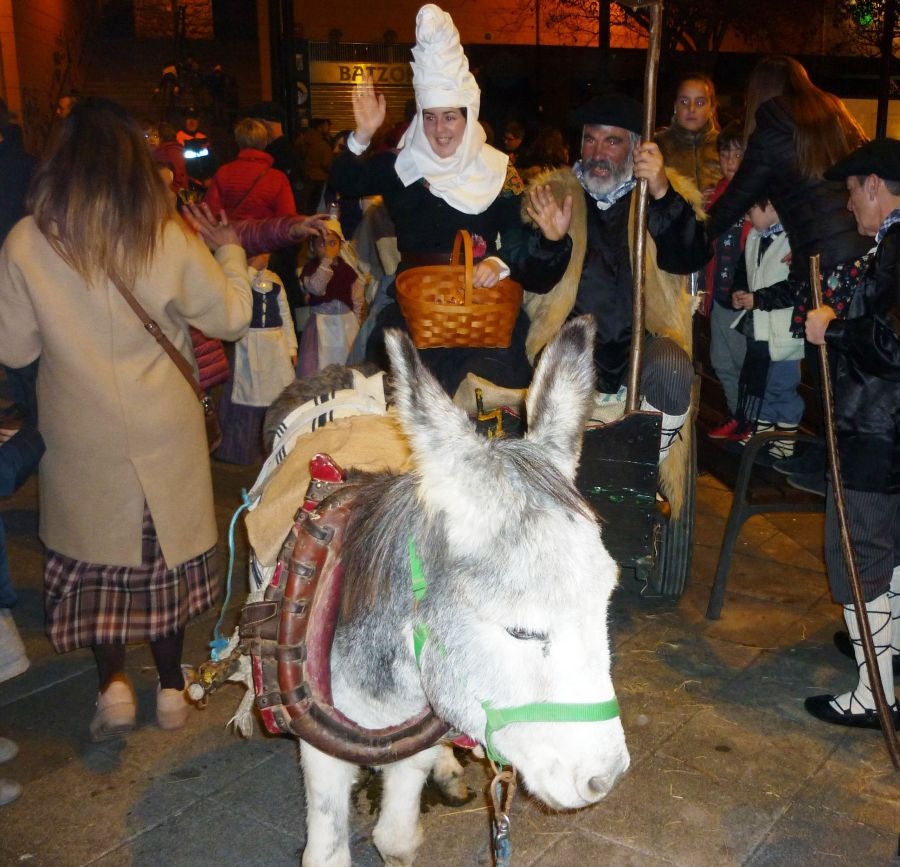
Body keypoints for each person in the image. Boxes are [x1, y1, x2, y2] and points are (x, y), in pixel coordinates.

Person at [0, 98, 255, 741]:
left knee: (97, 571)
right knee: (160, 562)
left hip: (79, 436)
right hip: (162, 431)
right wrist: (229, 256)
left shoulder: (28, 241)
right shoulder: (166, 234)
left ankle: (113, 687)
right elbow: (230, 318)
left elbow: (15, 349)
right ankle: (171, 690)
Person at [328, 4, 572, 397]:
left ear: (468, 116)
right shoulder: (402, 164)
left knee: (484, 393)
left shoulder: (496, 170)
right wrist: (362, 133)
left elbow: (519, 244)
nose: (439, 129)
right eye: (430, 117)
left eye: (450, 117)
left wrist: (503, 259)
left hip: (480, 312)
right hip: (413, 307)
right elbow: (345, 180)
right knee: (397, 394)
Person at [522, 93, 709, 505]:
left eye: (612, 141)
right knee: (552, 377)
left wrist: (661, 192)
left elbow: (690, 255)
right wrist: (551, 243)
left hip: (642, 341)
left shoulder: (660, 194)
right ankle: (556, 485)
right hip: (574, 344)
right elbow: (531, 278)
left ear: (635, 146)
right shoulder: (554, 194)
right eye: (590, 140)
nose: (598, 152)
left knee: (674, 371)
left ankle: (642, 465)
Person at [707, 56, 872, 492]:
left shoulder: (774, 126)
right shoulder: (834, 114)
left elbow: (739, 195)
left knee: (825, 368)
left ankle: (840, 470)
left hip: (826, 263)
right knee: (842, 370)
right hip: (857, 254)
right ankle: (837, 460)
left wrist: (695, 235)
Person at [802, 138, 900, 730]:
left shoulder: (896, 251)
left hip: (878, 429)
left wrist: (833, 329)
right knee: (889, 557)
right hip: (889, 429)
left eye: (851, 191)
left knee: (860, 555)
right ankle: (885, 663)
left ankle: (876, 694)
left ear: (873, 185)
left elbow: (890, 342)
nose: (849, 203)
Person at [729, 198, 804, 457]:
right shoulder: (755, 237)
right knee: (761, 383)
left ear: (772, 206)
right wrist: (739, 292)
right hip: (760, 327)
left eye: (751, 210)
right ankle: (761, 439)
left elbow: (796, 287)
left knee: (781, 385)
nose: (748, 218)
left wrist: (759, 299)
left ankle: (784, 442)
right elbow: (743, 270)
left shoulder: (795, 240)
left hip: (785, 331)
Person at [214, 255, 297, 465]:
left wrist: (291, 346)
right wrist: (249, 270)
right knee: (248, 392)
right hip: (249, 343)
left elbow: (285, 314)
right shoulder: (240, 280)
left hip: (275, 346)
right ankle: (245, 449)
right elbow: (234, 302)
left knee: (278, 392)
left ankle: (279, 445)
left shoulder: (275, 279)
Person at [705, 122, 753, 437]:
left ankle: (747, 421)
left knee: (742, 361)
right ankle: (739, 416)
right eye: (725, 154)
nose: (730, 161)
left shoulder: (761, 193)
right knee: (720, 360)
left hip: (748, 296)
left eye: (737, 153)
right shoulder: (717, 194)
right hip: (719, 292)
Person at [296, 218, 366, 376]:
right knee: (320, 364)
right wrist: (326, 262)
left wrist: (356, 321)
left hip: (346, 325)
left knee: (347, 362)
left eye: (332, 243)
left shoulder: (348, 271)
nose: (327, 248)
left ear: (340, 245)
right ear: (313, 247)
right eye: (322, 243)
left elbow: (357, 298)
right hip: (321, 325)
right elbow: (316, 288)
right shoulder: (310, 269)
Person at [203, 118, 296, 222]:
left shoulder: (224, 172)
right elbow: (287, 219)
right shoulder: (277, 178)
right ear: (265, 142)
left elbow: (210, 211)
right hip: (264, 236)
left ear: (238, 141)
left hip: (232, 235)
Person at [654, 73, 721, 203]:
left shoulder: (725, 146)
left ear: (711, 108)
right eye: (684, 101)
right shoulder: (657, 145)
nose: (691, 108)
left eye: (700, 102)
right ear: (675, 106)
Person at [176, 106, 217, 190]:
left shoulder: (203, 137)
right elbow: (180, 166)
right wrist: (194, 180)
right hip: (188, 184)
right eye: (189, 118)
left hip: (206, 183)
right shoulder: (178, 138)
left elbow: (212, 160)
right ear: (184, 121)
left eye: (194, 118)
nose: (192, 122)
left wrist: (210, 177)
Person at [301, 117, 334, 214]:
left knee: (306, 205)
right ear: (319, 127)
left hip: (305, 177)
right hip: (318, 178)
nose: (329, 128)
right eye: (326, 126)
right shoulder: (321, 143)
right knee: (314, 206)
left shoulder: (304, 140)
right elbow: (327, 163)